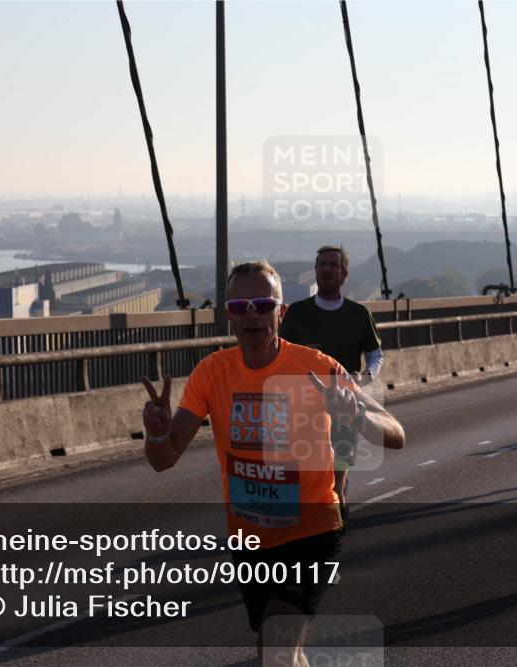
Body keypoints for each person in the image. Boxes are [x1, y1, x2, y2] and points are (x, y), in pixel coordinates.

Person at [141, 260, 404, 666]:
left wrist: (354, 415)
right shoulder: (211, 373)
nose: (252, 315)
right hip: (249, 541)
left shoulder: (317, 368)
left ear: (282, 313)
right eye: (240, 306)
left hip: (312, 532)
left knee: (275, 648)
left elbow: (395, 434)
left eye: (263, 305)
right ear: (228, 315)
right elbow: (165, 458)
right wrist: (157, 433)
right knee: (285, 653)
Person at [279, 245, 384, 524]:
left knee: (337, 482)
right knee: (304, 477)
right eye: (321, 264)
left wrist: (365, 376)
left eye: (333, 265)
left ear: (344, 274)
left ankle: (334, 527)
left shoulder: (358, 314)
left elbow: (375, 353)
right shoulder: (297, 313)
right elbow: (279, 353)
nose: (326, 269)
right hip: (302, 410)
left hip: (344, 409)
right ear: (315, 271)